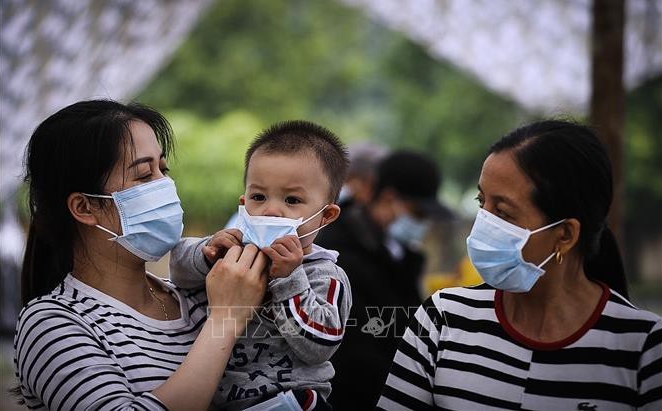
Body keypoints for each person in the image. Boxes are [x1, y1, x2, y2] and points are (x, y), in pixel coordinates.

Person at [378, 120, 662, 410]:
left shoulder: (644, 348)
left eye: (502, 211)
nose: (483, 223)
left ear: (564, 235)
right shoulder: (443, 318)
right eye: (482, 203)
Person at [13, 100, 268, 411]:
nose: (167, 185)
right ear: (84, 207)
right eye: (144, 175)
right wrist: (225, 321)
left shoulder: (196, 299)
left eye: (163, 169)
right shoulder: (51, 324)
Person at [169, 120, 352, 410]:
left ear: (326, 215)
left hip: (291, 402)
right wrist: (206, 252)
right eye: (258, 197)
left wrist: (288, 279)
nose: (270, 209)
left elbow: (320, 345)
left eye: (292, 199)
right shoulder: (233, 251)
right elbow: (177, 270)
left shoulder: (325, 274)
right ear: (244, 203)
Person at [315, 149, 452, 410]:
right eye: (418, 214)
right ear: (389, 198)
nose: (422, 224)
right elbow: (359, 352)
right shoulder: (335, 253)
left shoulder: (397, 252)